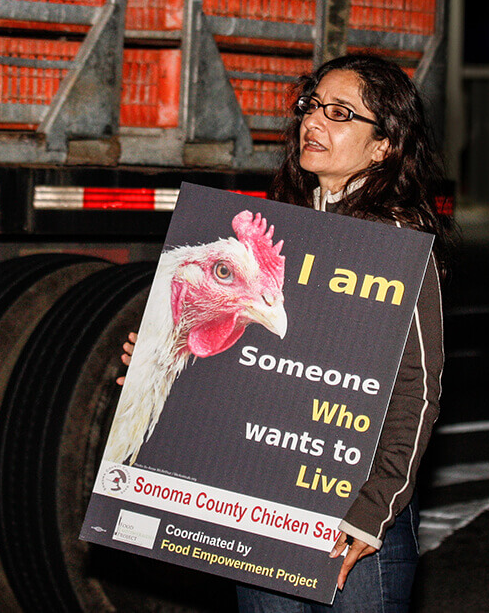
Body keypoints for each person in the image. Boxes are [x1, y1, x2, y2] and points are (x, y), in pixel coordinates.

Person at [119, 54, 449, 612]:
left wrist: (373, 514)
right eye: (311, 107)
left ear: (384, 145)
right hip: (267, 505)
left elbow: (415, 391)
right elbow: (259, 373)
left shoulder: (397, 242)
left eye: (341, 113)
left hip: (355, 519)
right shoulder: (292, 228)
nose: (313, 123)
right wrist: (158, 354)